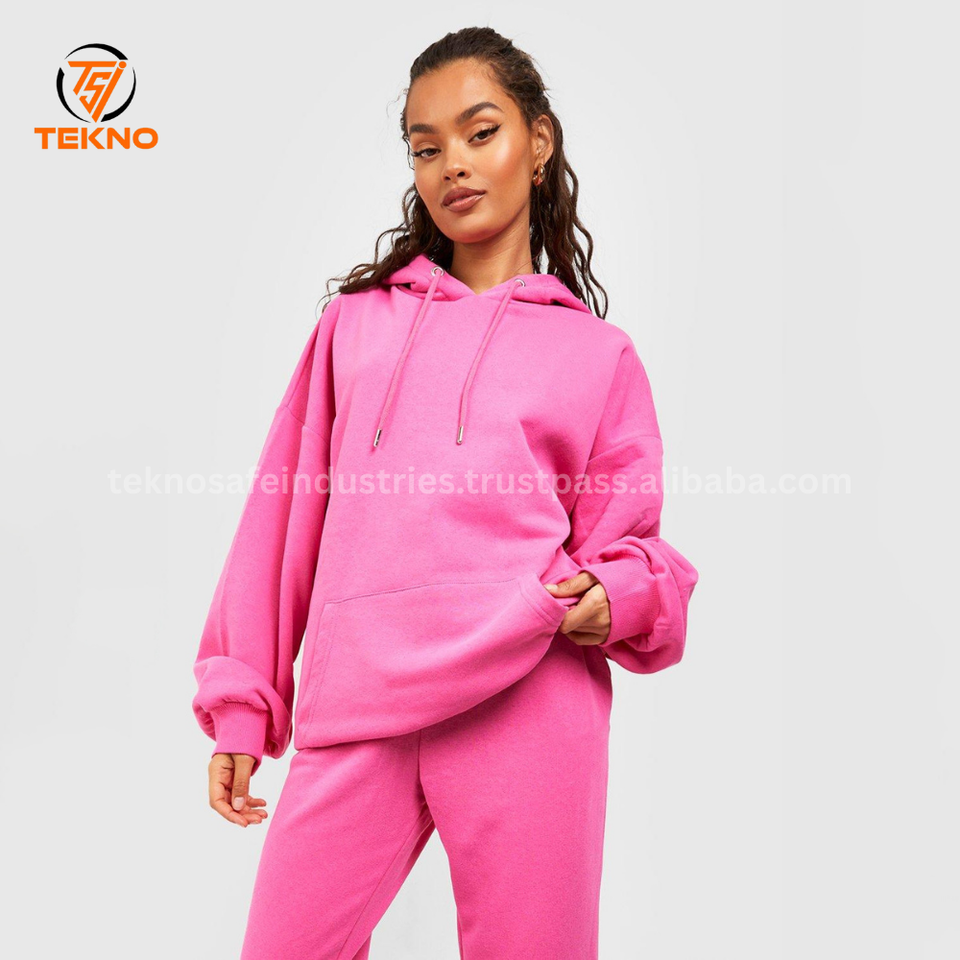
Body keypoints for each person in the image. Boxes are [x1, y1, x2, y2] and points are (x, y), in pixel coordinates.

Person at [191, 25, 699, 960]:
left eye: (480, 132)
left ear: (537, 143)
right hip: (360, 701)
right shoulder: (354, 327)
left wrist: (613, 596)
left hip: (526, 700)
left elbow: (632, 547)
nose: (452, 165)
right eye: (425, 148)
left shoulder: (597, 355)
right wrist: (244, 701)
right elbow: (281, 518)